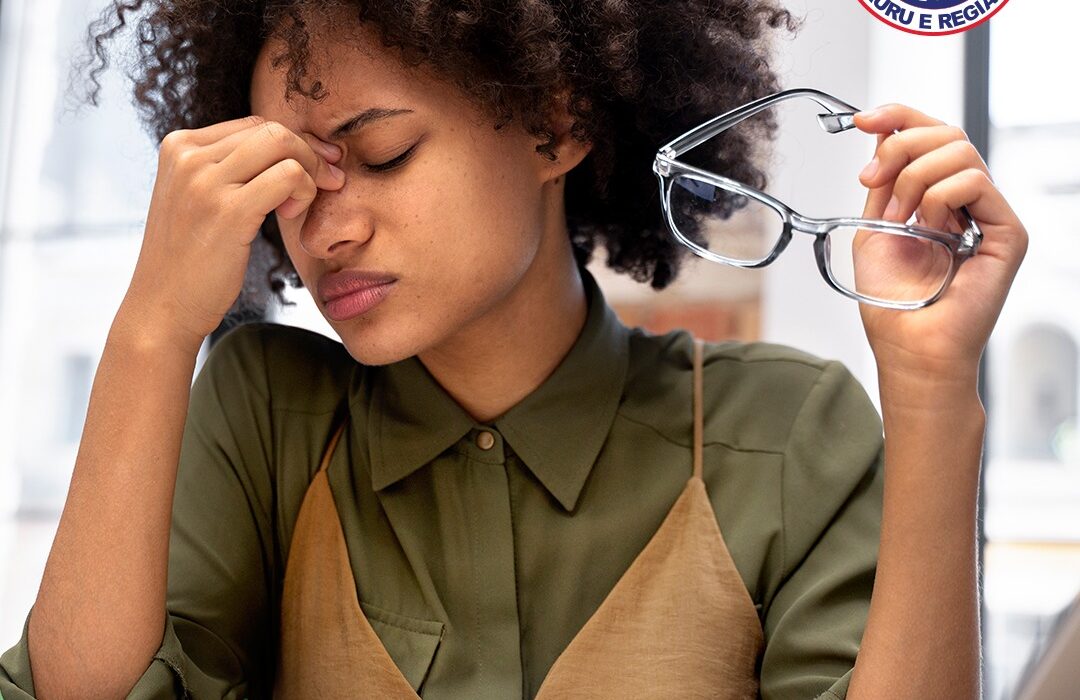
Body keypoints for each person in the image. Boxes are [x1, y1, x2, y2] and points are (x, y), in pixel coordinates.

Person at [0, 1, 1027, 698]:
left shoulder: (786, 434)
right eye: (293, 182)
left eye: (383, 153)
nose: (327, 229)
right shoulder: (267, 415)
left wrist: (933, 391)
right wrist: (152, 329)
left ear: (554, 124)